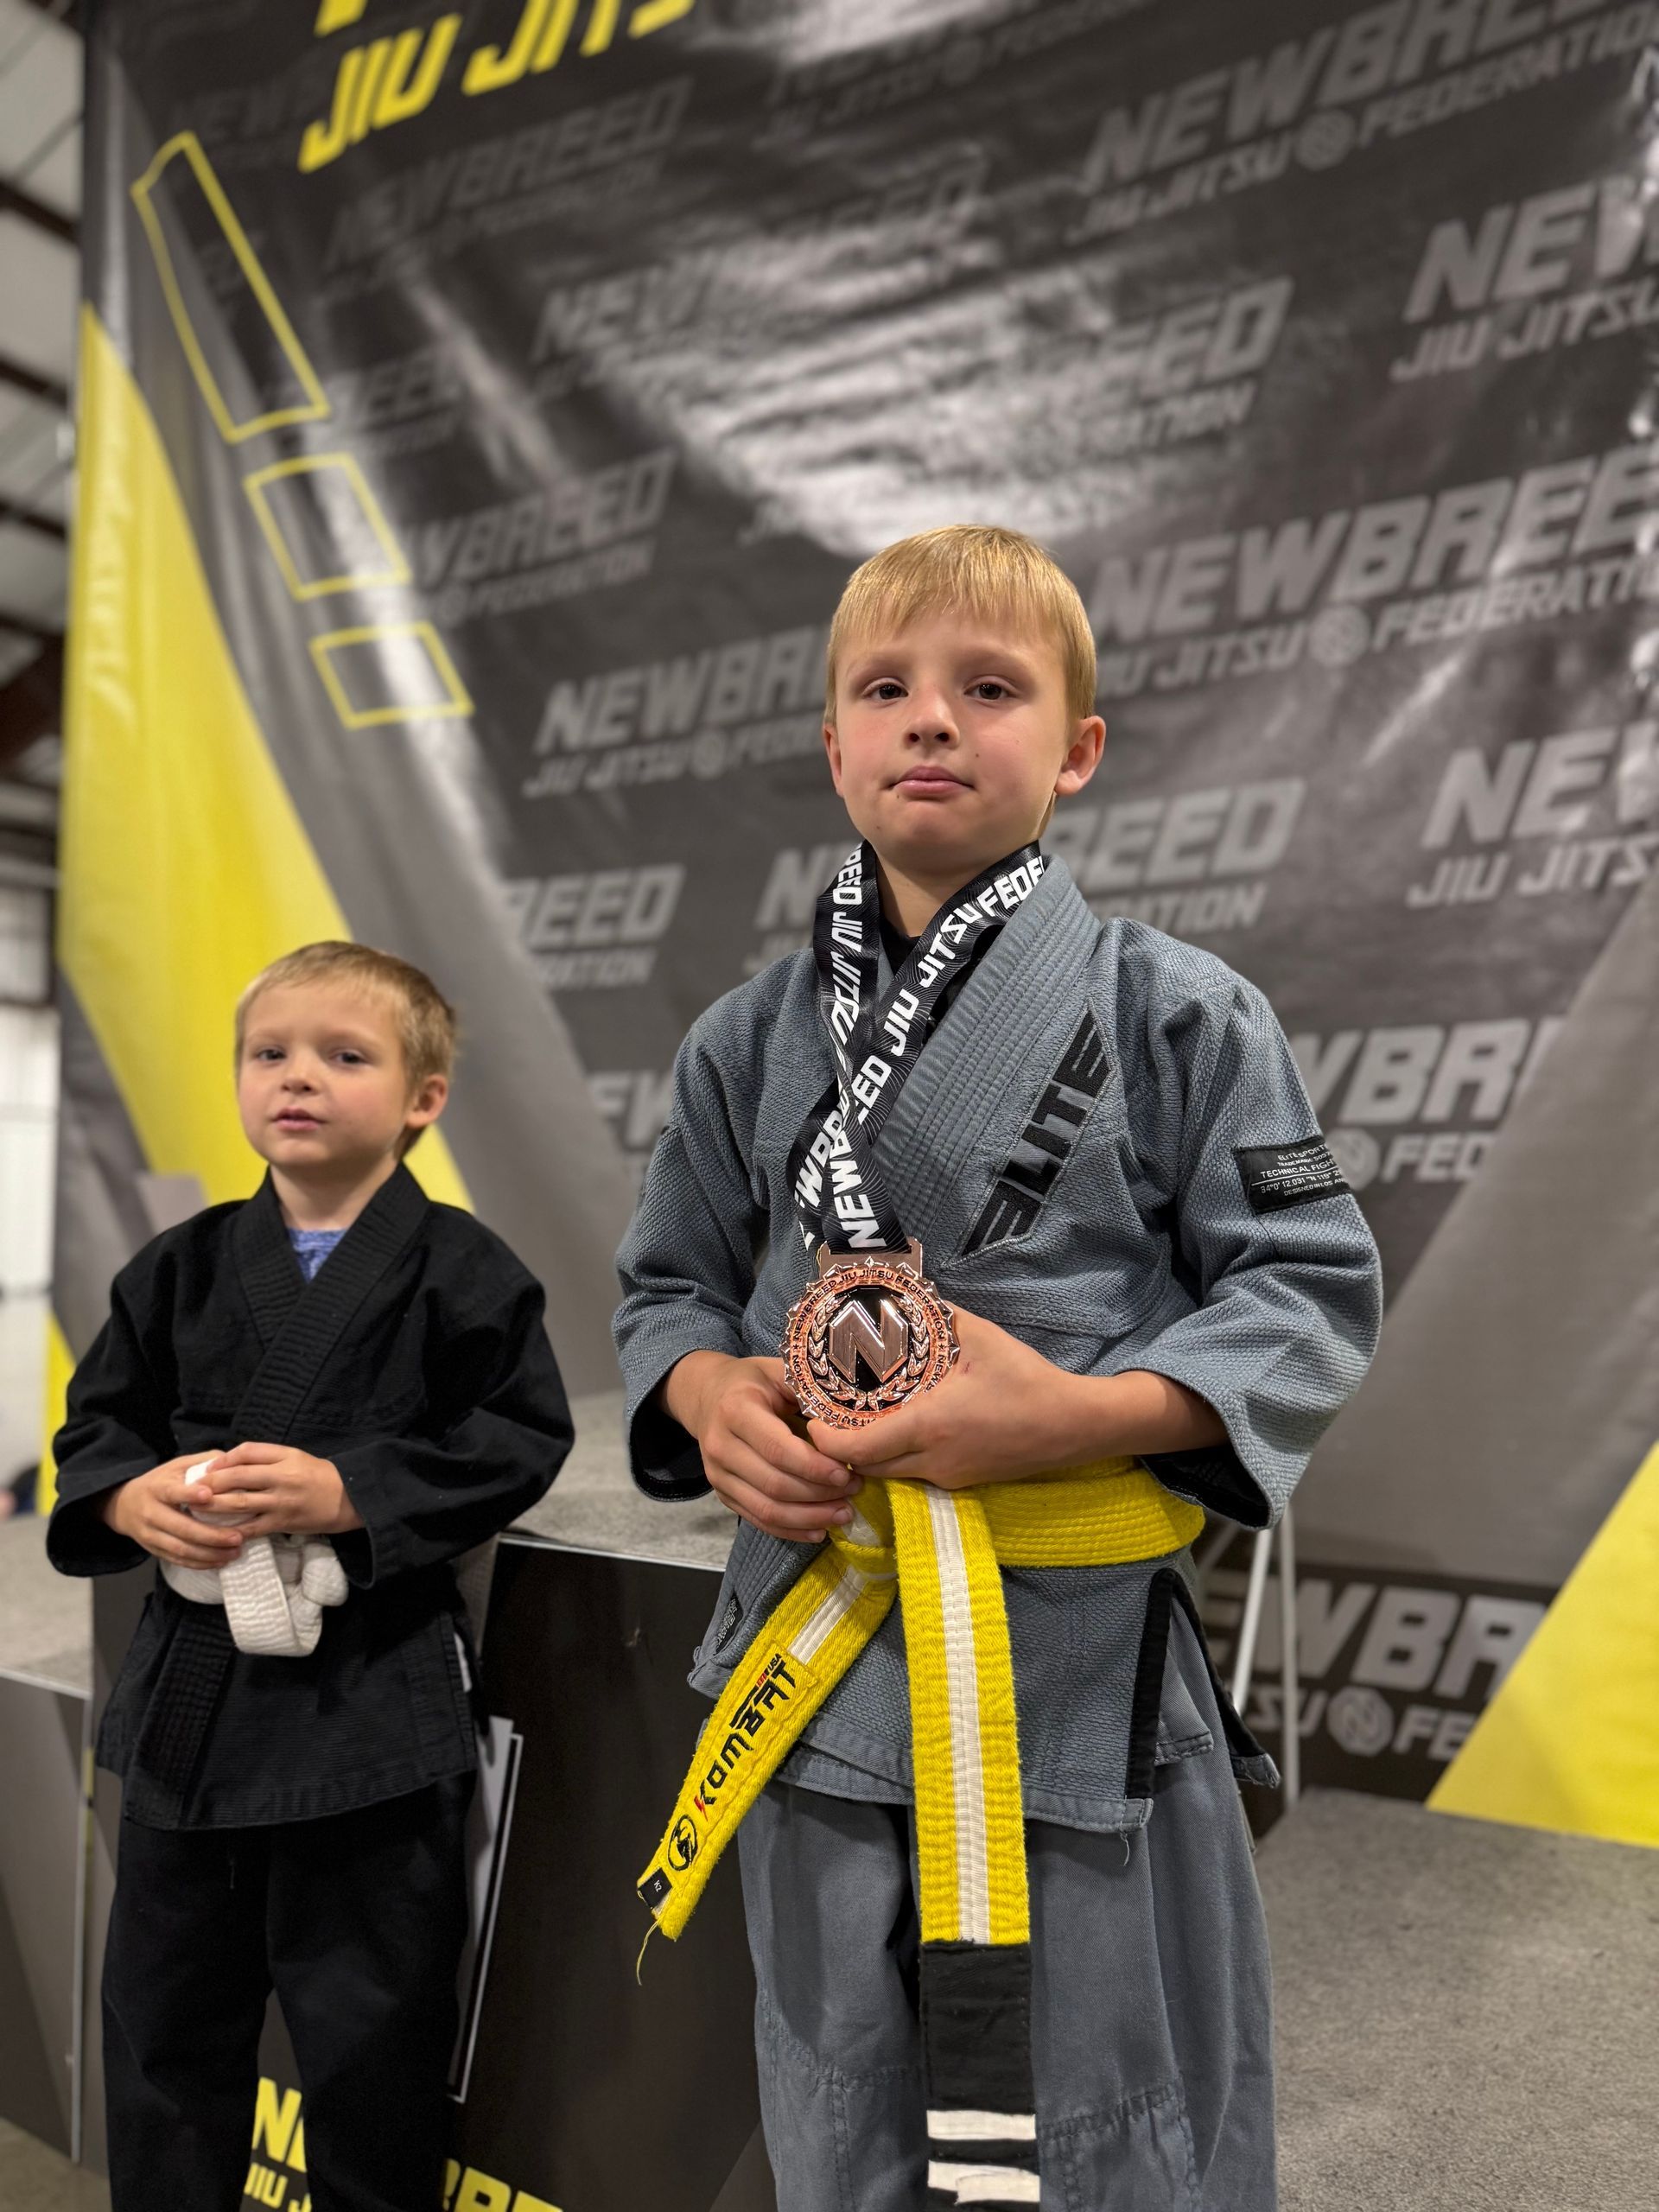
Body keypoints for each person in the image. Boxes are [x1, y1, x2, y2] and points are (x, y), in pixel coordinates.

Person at [616, 525, 1383, 2211]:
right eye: (884, 689)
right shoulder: (748, 1036)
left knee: (1108, 2114)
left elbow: (1309, 1286)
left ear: (1078, 749)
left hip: (1068, 1669)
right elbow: (665, 1287)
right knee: (841, 2094)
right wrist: (708, 1396)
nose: (931, 722)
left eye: (989, 688)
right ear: (832, 744)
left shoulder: (1184, 1012)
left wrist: (1082, 1413)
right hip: (821, 1642)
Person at [48, 942, 573, 2212]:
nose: (299, 1078)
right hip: (193, 1720)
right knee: (166, 2042)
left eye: (347, 1056)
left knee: (370, 2051)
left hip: (371, 1720)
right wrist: (129, 1497)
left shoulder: (465, 1270)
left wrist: (351, 1495)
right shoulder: (174, 1267)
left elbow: (517, 1437)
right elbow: (96, 1431)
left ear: (422, 1098)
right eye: (269, 1053)